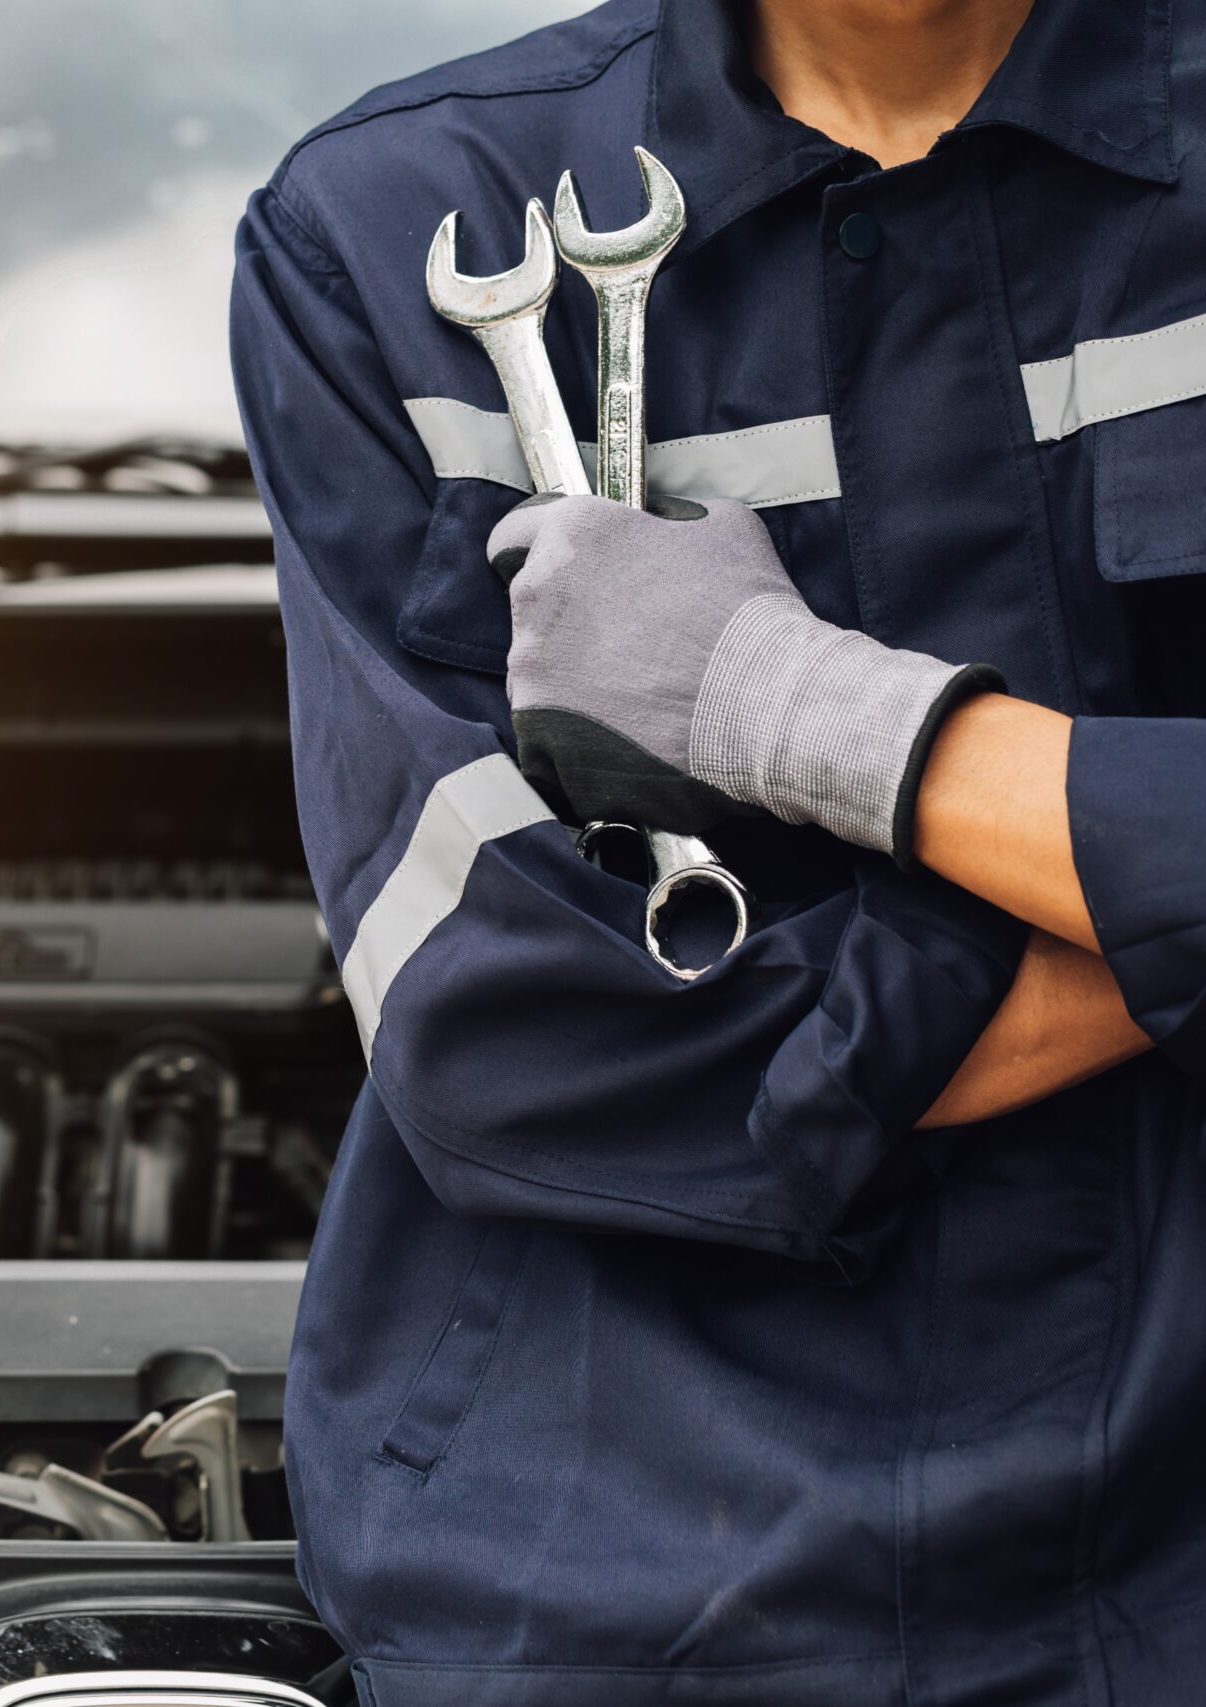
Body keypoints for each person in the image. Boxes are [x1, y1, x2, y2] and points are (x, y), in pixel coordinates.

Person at [230, 1, 1206, 1700]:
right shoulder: (385, 236)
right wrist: (1160, 900)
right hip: (614, 1589)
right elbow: (510, 1031)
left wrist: (788, 704)